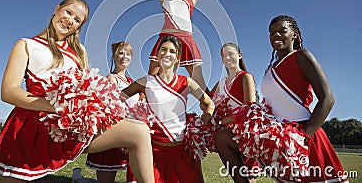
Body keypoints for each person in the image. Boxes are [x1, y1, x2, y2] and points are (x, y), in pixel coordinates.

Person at [0, 0, 154, 183]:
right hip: (32, 125)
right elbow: (8, 92)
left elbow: (85, 88)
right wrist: (58, 107)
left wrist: (94, 106)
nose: (70, 20)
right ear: (57, 9)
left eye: (77, 20)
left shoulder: (79, 52)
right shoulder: (26, 45)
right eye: (68, 12)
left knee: (139, 131)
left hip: (70, 127)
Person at [216, 15, 349, 183]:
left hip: (303, 135)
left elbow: (327, 98)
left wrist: (303, 137)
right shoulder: (269, 69)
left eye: (282, 31)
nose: (276, 35)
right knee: (223, 138)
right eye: (272, 32)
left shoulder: (302, 57)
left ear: (294, 34)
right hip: (277, 136)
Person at [123, 35, 215, 183]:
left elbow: (210, 104)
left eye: (172, 51)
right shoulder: (145, 81)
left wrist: (203, 121)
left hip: (181, 152)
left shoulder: (187, 83)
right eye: (163, 50)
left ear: (177, 58)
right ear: (157, 54)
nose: (167, 54)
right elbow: (118, 99)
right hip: (151, 152)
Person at [136, 0, 219, 93]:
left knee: (198, 79)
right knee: (152, 76)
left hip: (186, 38)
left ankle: (211, 108)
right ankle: (146, 105)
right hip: (166, 37)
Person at [84, 41, 138, 183]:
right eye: (120, 53)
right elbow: (109, 106)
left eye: (127, 53)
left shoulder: (132, 82)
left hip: (130, 132)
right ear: (113, 56)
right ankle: (78, 179)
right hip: (115, 130)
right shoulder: (111, 79)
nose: (124, 56)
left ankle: (78, 178)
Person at [211, 43, 260, 183]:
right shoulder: (221, 83)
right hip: (226, 136)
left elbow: (249, 110)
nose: (227, 57)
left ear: (239, 56)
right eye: (224, 55)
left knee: (248, 178)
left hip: (244, 135)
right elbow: (207, 101)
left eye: (231, 53)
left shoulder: (246, 77)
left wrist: (222, 121)